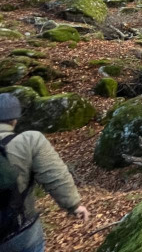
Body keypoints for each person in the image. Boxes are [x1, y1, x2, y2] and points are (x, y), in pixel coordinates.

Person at [0, 93, 90, 252]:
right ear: (15, 119)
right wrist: (74, 205)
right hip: (22, 234)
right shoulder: (29, 141)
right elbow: (55, 175)